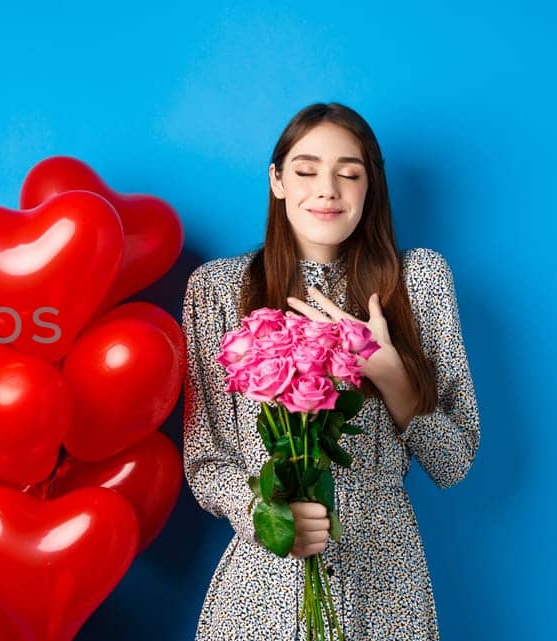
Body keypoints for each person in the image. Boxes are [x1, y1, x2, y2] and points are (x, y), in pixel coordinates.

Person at [181, 102, 481, 640]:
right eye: (305, 170)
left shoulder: (419, 280)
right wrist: (265, 519)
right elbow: (206, 457)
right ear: (276, 180)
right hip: (266, 580)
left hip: (386, 575)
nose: (328, 190)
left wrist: (391, 374)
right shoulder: (217, 290)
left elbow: (454, 463)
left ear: (370, 188)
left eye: (349, 173)